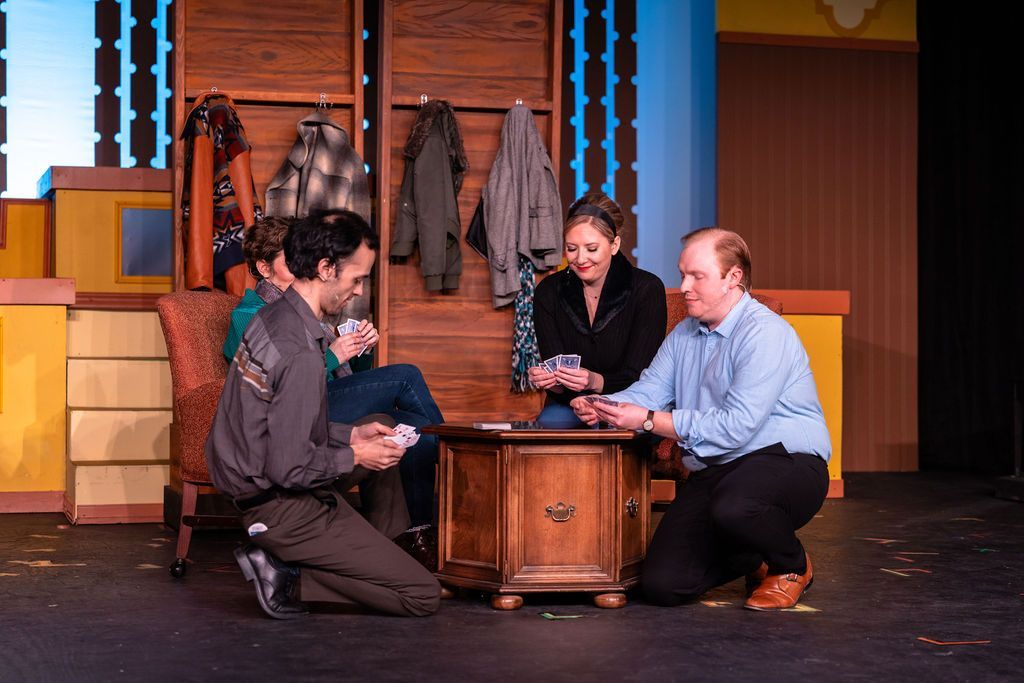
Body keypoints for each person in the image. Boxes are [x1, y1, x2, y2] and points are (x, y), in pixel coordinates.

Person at [571, 227, 831, 611]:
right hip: (718, 468)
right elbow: (649, 392)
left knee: (736, 506)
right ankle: (755, 553)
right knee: (663, 585)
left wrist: (648, 421)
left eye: (697, 276)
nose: (684, 287)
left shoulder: (765, 333)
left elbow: (736, 426)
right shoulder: (684, 334)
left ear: (733, 277)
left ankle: (791, 565)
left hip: (785, 459)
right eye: (682, 274)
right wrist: (603, 405)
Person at [206, 210, 441, 619]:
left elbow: (279, 424)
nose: (358, 290)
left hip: (261, 489)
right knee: (422, 593)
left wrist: (350, 435)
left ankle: (375, 551)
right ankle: (286, 574)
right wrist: (357, 455)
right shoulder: (299, 352)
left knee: (381, 429)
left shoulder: (276, 316)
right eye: (357, 278)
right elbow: (289, 467)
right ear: (326, 268)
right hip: (280, 505)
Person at [529, 193, 666, 427]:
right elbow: (557, 370)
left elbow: (642, 378)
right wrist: (552, 382)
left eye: (591, 249)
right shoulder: (548, 291)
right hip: (569, 404)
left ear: (614, 245)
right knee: (551, 424)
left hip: (630, 402)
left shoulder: (647, 289)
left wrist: (595, 382)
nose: (580, 259)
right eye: (571, 248)